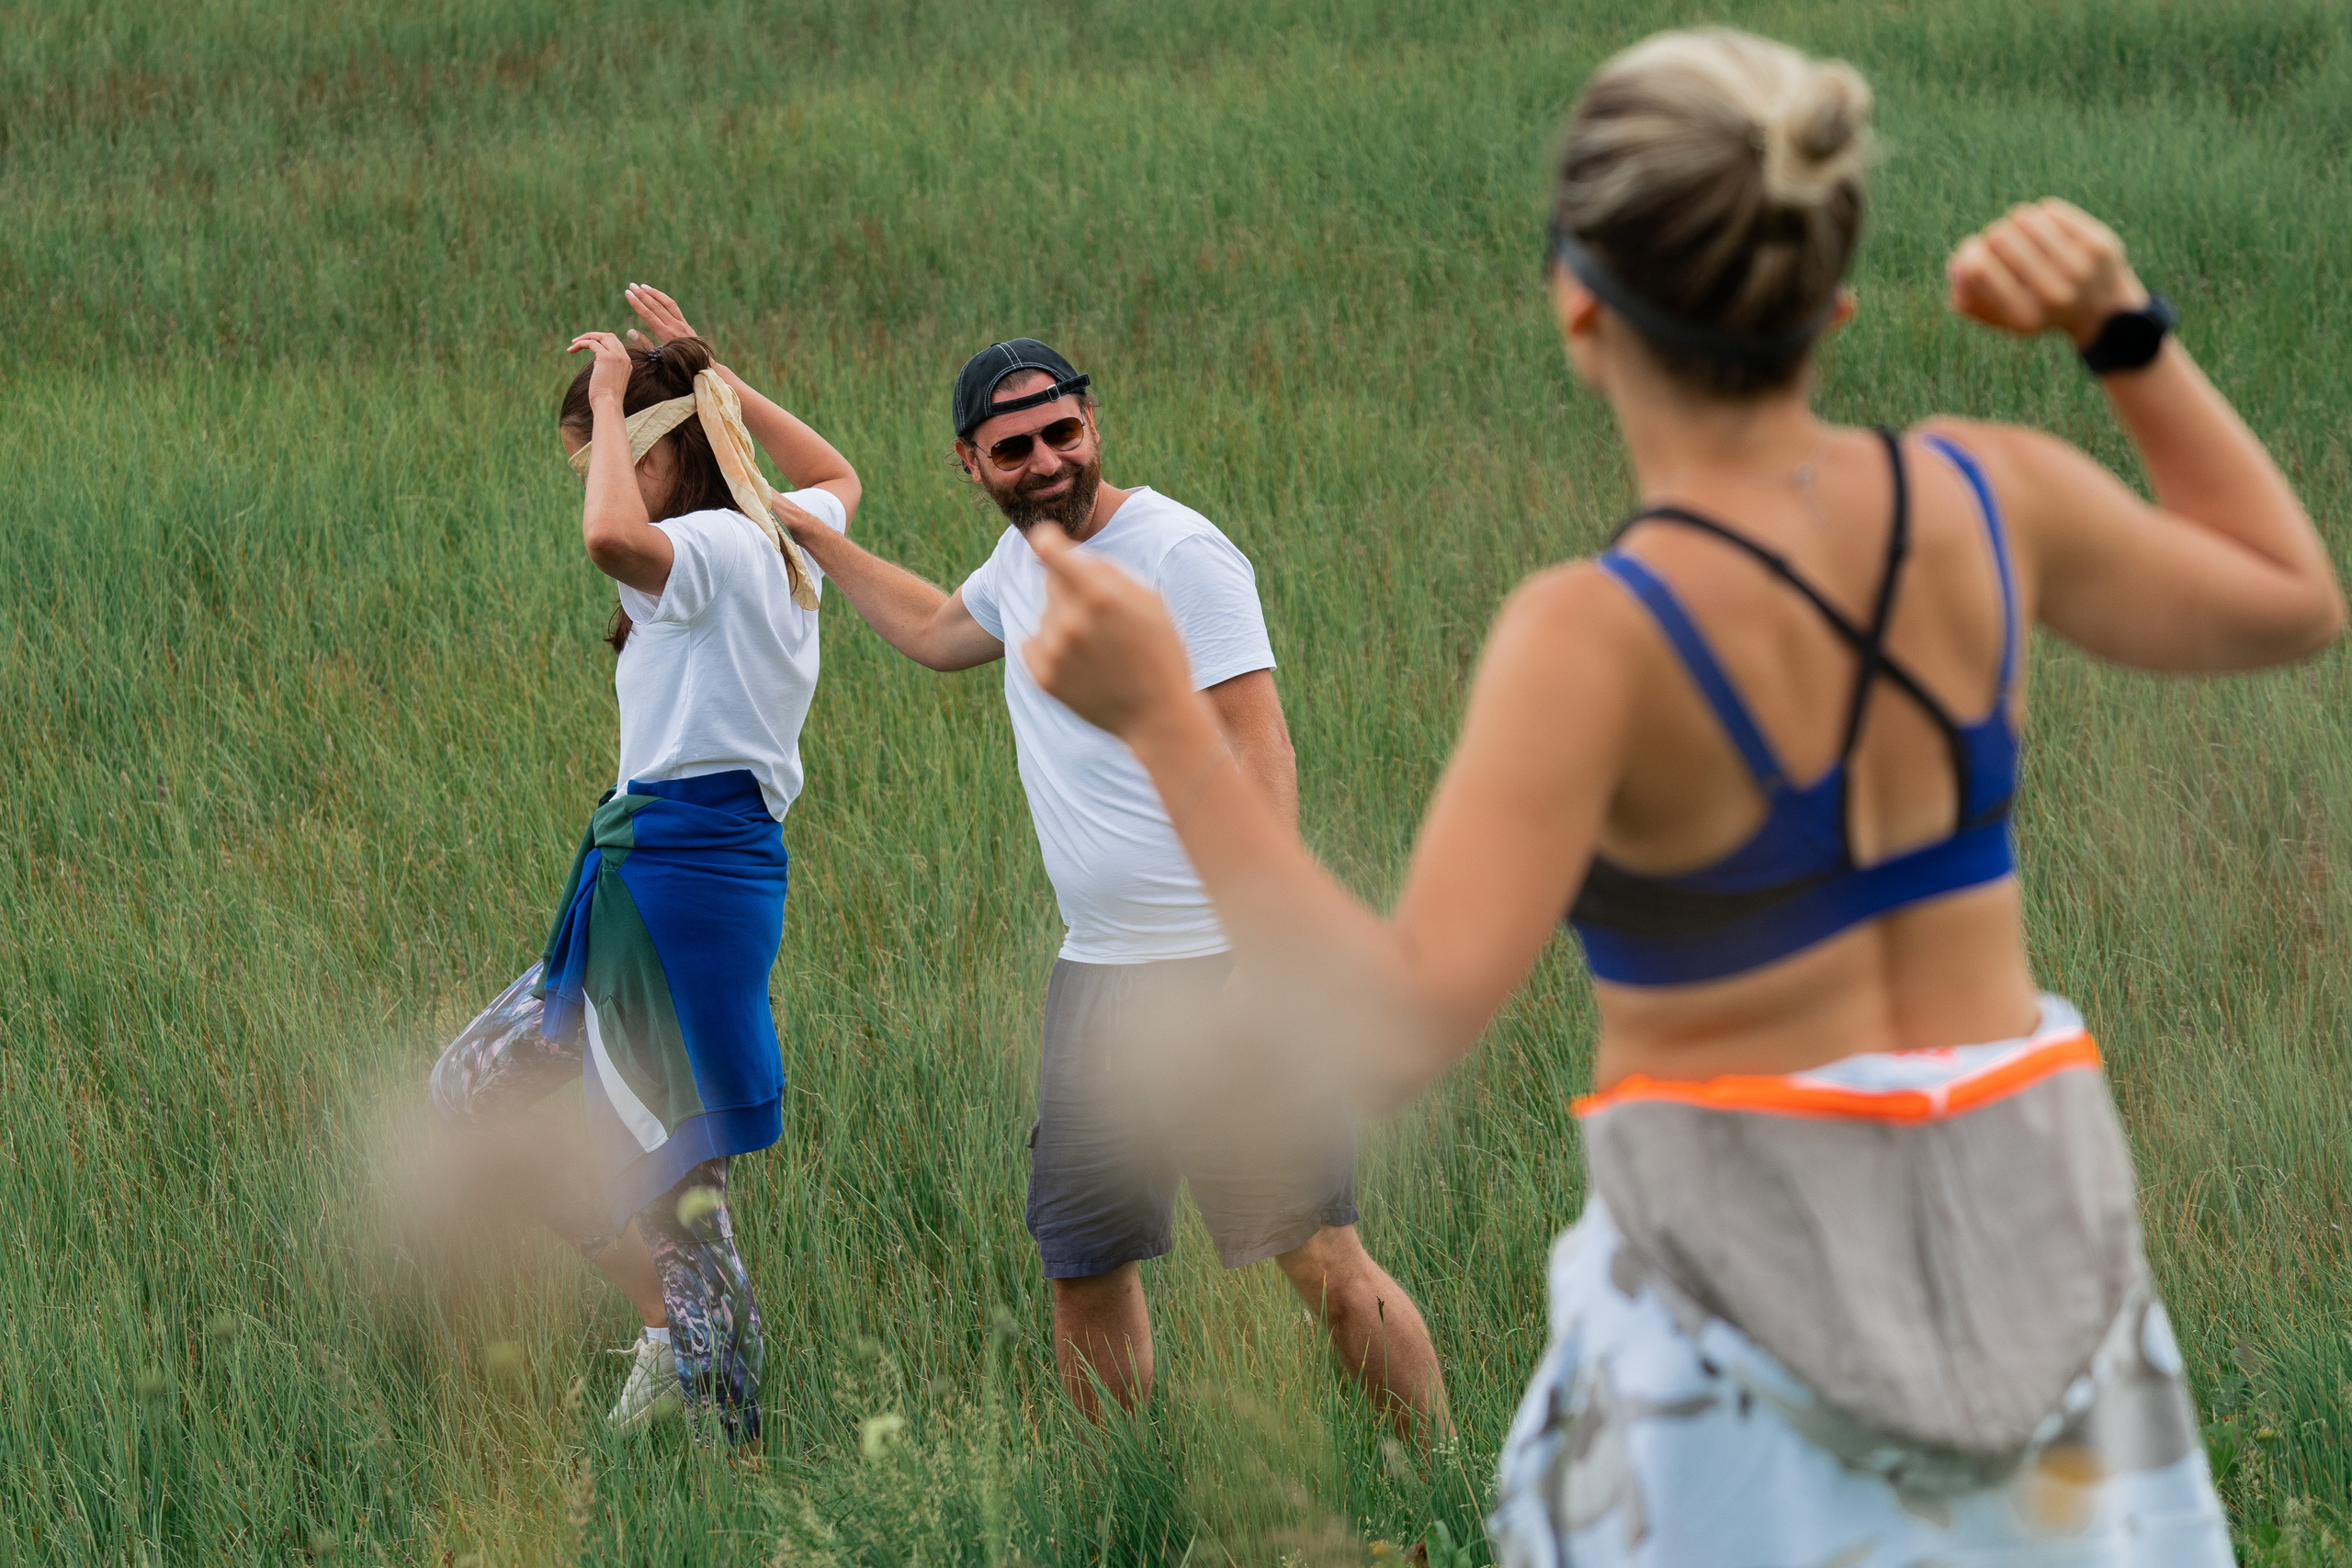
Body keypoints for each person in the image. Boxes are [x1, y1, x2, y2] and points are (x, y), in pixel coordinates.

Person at [1013, 28, 2340, 1566]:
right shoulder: (1989, 494)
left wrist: (1169, 726)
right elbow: (2292, 597)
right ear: (1834, 300)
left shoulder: (1595, 634)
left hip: (1745, 1282)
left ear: (1579, 306)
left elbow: (1387, 1028)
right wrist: (2123, 327)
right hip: (2032, 1234)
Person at [752, 332, 1448, 1429]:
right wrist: (801, 527)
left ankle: (1447, 1486)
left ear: (1093, 427)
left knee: (1315, 1256)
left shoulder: (1179, 552)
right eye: (1013, 447)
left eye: (1061, 434)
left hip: (1225, 965)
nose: (1045, 462)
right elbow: (937, 631)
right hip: (1097, 978)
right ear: (968, 464)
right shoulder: (1024, 562)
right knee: (1085, 1264)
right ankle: (1117, 1506)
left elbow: (1261, 742)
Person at [427, 286, 862, 1445]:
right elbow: (842, 470)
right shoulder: (779, 520)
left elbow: (611, 536)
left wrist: (623, 389)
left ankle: (746, 1465)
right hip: (648, 874)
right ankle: (669, 1336)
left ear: (659, 457)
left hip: (680, 884)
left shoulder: (717, 543)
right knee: (475, 1088)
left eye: (603, 459)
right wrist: (702, 372)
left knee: (679, 1186)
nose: (592, 482)